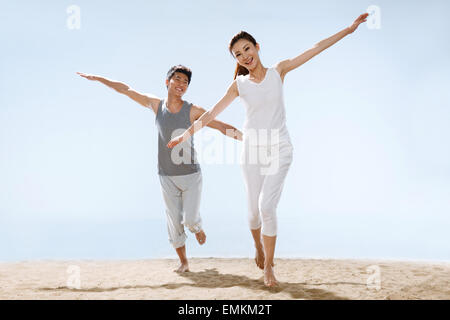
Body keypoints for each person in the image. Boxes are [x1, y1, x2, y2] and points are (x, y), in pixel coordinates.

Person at [167, 14, 369, 286]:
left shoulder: (279, 71)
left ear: (257, 47)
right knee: (252, 213)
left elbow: (315, 49)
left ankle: (269, 268)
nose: (244, 56)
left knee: (267, 207)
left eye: (247, 49)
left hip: (280, 148)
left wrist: (348, 30)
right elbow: (211, 113)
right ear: (236, 60)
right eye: (238, 54)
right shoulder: (239, 85)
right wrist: (186, 134)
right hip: (252, 150)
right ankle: (259, 247)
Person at [77, 65, 242, 273]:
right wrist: (99, 78)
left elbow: (219, 125)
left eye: (185, 82)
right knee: (173, 221)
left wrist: (248, 138)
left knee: (189, 219)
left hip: (191, 175)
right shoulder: (156, 105)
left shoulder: (193, 110)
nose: (181, 84)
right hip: (166, 175)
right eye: (178, 79)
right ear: (167, 82)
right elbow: (125, 89)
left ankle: (197, 227)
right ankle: (184, 262)